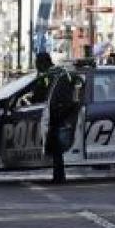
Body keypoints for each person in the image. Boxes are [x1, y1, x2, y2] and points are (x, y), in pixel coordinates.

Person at [36, 52, 82, 184]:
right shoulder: (59, 72)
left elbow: (39, 94)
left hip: (57, 113)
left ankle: (59, 177)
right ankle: (58, 175)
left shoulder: (48, 75)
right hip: (63, 111)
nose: (36, 66)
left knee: (56, 146)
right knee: (56, 146)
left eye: (37, 63)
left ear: (43, 62)